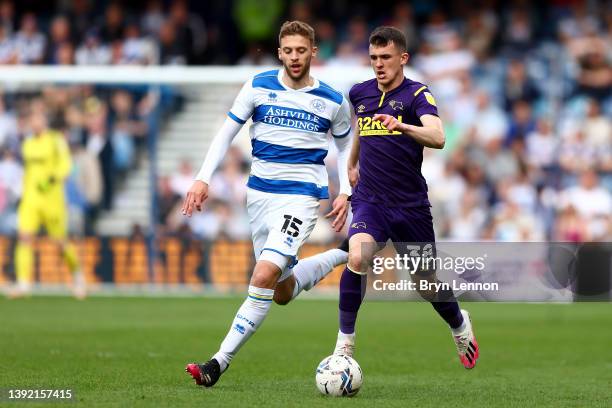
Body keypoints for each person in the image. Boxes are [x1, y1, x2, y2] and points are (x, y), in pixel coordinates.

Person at [182, 21, 352, 387]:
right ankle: (342, 253)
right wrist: (202, 177)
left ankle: (218, 362)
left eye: (301, 50)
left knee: (261, 274)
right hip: (259, 197)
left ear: (313, 52)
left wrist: (346, 191)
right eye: (288, 51)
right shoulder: (258, 86)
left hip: (301, 199)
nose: (294, 57)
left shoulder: (333, 100)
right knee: (281, 291)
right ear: (279, 52)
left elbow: (345, 145)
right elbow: (227, 132)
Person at [332, 26, 480, 369]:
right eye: (373, 58)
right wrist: (353, 162)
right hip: (370, 200)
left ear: (403, 58)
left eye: (385, 58)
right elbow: (361, 127)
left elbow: (439, 136)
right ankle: (344, 346)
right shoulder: (360, 93)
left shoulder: (418, 95)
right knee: (357, 257)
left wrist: (403, 127)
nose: (379, 64)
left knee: (426, 283)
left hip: (410, 206)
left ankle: (459, 325)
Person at [10, 112, 85, 299]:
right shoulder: (27, 144)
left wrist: (52, 179)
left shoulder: (55, 140)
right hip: (30, 199)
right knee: (24, 237)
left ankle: (77, 275)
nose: (34, 123)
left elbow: (67, 165)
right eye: (31, 119)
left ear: (44, 121)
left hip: (52, 199)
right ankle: (23, 284)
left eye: (37, 119)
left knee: (60, 243)